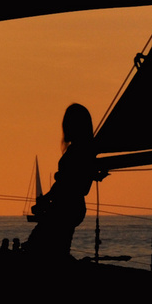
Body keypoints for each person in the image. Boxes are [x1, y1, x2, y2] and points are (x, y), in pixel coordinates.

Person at [24, 103, 100, 260]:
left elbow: (66, 184)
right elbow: (71, 184)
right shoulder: (85, 150)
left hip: (65, 208)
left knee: (37, 247)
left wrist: (46, 199)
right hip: (71, 207)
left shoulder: (78, 151)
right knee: (56, 249)